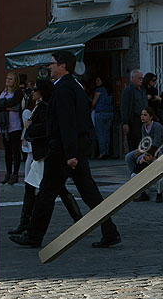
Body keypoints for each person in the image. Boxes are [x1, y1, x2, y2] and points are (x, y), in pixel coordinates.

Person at [10, 50, 121, 249]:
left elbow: (68, 124)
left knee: (46, 193)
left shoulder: (64, 89)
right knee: (89, 192)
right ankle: (110, 231)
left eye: (52, 63)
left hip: (63, 150)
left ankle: (34, 235)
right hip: (72, 149)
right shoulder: (71, 86)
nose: (49, 67)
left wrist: (70, 154)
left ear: (63, 66)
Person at [8, 79, 83, 235]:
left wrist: (30, 127)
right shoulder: (43, 106)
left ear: (41, 92)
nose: (32, 92)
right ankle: (25, 222)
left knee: (53, 189)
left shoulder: (44, 108)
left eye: (35, 90)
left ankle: (28, 224)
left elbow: (46, 129)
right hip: (42, 154)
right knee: (38, 187)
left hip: (45, 154)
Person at [125, 107, 163, 203]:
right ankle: (140, 183)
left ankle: (157, 190)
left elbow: (157, 143)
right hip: (147, 149)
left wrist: (142, 152)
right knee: (129, 157)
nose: (142, 117)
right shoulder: (143, 127)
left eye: (145, 115)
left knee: (140, 158)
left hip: (158, 150)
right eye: (141, 115)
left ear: (151, 116)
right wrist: (140, 150)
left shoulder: (156, 126)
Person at [0, 71, 24, 184]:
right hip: (4, 126)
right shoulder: (2, 93)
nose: (8, 80)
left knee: (15, 151)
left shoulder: (18, 93)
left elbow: (13, 103)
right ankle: (8, 173)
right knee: (7, 151)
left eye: (11, 79)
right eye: (7, 78)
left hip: (15, 126)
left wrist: (3, 105)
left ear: (15, 81)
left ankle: (15, 174)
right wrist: (6, 107)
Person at [121, 69, 148, 153]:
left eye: (142, 78)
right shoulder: (128, 90)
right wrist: (125, 122)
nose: (141, 80)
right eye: (139, 78)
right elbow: (125, 107)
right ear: (133, 78)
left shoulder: (143, 89)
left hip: (143, 120)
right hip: (134, 120)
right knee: (134, 142)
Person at [91, 75, 114, 159]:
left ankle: (102, 153)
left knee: (100, 133)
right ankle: (107, 151)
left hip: (101, 113)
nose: (96, 82)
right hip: (110, 112)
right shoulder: (110, 90)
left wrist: (91, 109)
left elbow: (94, 102)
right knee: (107, 133)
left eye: (98, 80)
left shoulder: (99, 90)